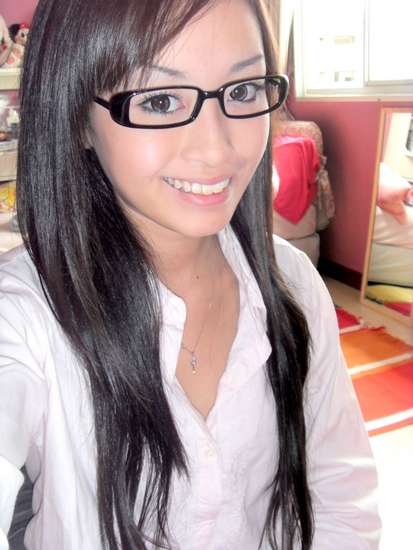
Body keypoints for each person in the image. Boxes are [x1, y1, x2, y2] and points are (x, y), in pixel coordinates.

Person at [0, 1, 381, 549]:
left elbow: (342, 495)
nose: (217, 147)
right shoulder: (25, 315)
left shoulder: (293, 283)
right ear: (77, 116)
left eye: (243, 90)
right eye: (159, 100)